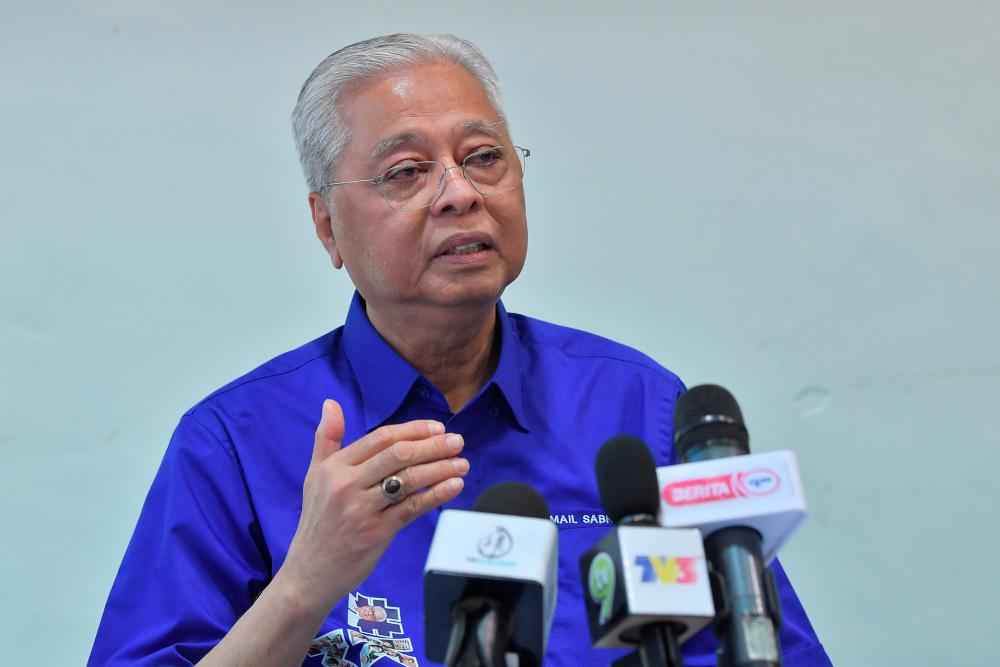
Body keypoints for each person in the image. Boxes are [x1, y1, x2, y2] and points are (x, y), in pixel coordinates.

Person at [89, 33, 831, 666]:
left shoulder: (637, 405)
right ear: (327, 226)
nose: (460, 193)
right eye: (407, 172)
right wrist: (304, 584)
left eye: (483, 157)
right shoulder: (235, 443)